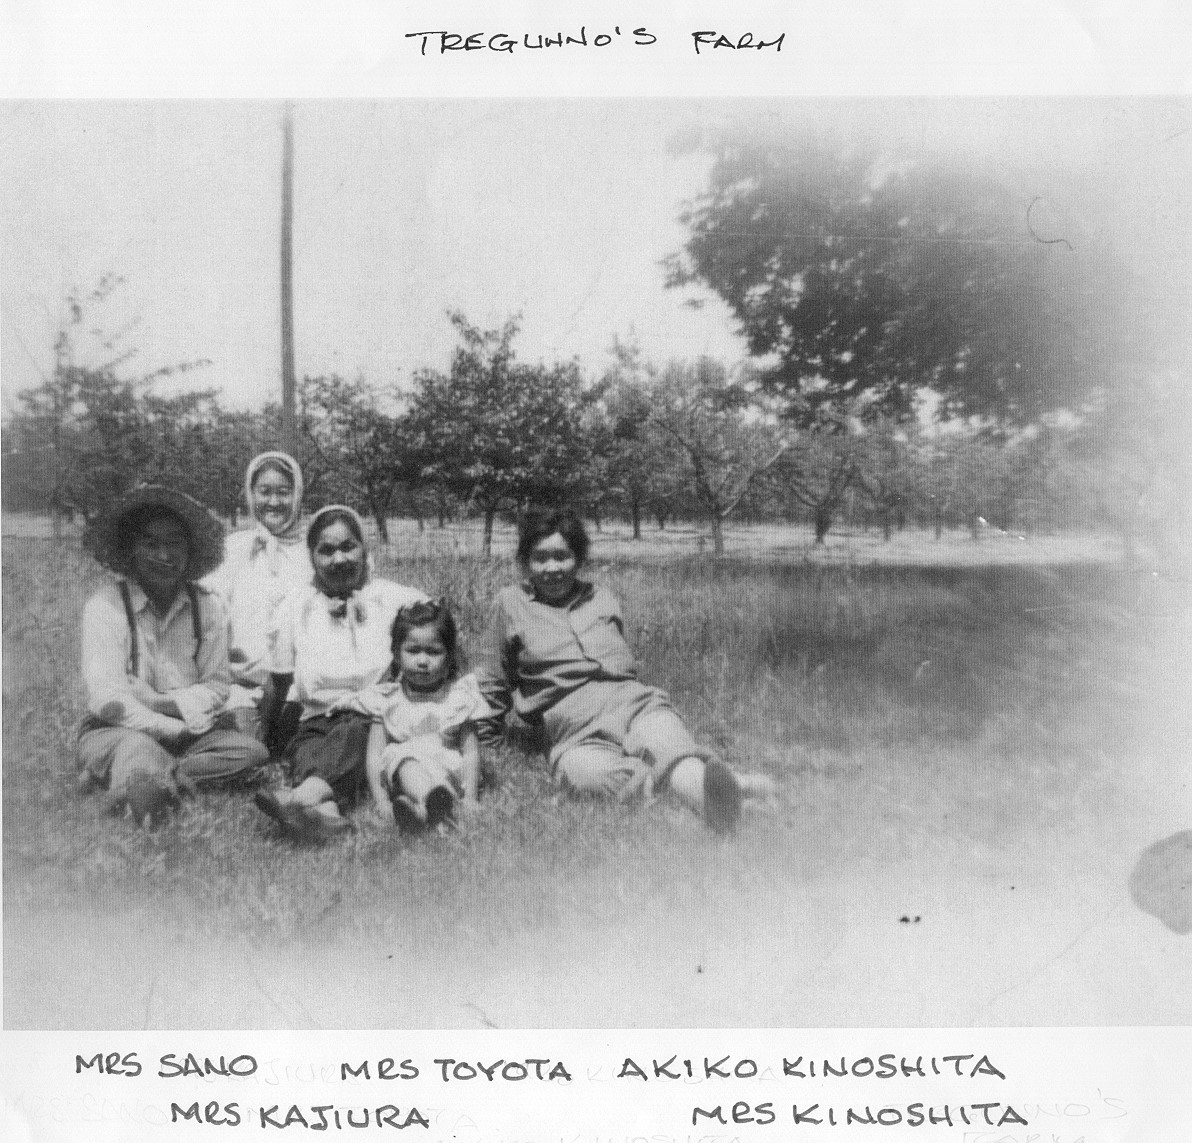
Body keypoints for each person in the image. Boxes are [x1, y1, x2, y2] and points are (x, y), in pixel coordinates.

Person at [475, 507, 772, 832]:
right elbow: (492, 675)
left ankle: (712, 796)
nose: (552, 568)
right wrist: (488, 738)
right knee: (594, 778)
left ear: (579, 558)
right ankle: (727, 796)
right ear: (525, 562)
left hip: (632, 704)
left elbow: (622, 660)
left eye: (562, 557)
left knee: (670, 748)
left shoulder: (601, 598)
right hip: (572, 727)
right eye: (540, 558)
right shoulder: (510, 604)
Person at [78, 485, 269, 827]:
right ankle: (147, 786)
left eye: (175, 543)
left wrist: (161, 702)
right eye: (151, 543)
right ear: (131, 549)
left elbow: (217, 685)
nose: (164, 555)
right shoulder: (105, 607)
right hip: (121, 728)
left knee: (251, 754)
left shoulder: (208, 606)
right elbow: (109, 698)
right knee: (137, 748)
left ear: (190, 549)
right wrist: (168, 727)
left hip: (191, 730)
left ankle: (144, 782)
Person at [253, 505, 427, 841]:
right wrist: (269, 734)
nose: (339, 559)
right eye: (326, 550)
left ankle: (301, 798)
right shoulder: (295, 605)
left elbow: (439, 629)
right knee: (308, 751)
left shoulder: (391, 598)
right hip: (314, 719)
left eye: (348, 547)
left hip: (372, 717)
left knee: (352, 737)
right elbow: (280, 677)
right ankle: (327, 818)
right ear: (312, 556)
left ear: (364, 548)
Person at [347, 598, 493, 832]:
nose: (422, 661)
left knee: (439, 767)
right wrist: (381, 800)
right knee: (406, 762)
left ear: (449, 656)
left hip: (446, 768)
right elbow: (374, 755)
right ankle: (431, 806)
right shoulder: (387, 700)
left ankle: (425, 811)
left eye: (434, 652)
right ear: (396, 654)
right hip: (406, 773)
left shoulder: (458, 698)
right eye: (413, 651)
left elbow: (471, 751)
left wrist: (472, 798)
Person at [204, 452, 311, 741]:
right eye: (264, 492)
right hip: (243, 682)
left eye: (283, 492)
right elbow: (207, 609)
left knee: (296, 741)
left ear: (297, 495)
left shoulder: (313, 551)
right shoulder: (233, 549)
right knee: (246, 743)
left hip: (299, 684)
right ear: (251, 495)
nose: (273, 502)